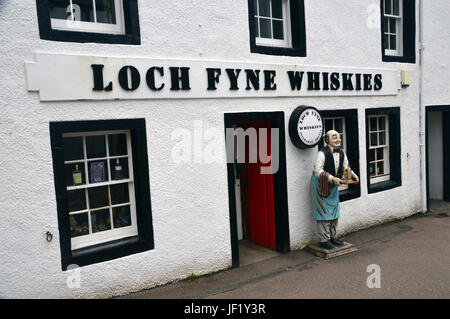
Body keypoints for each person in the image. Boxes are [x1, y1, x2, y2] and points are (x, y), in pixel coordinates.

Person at [310, 130, 359, 250]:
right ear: (327, 140)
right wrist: (332, 178)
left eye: (339, 137)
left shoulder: (341, 152)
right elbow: (318, 171)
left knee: (334, 212)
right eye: (334, 137)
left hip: (333, 185)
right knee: (323, 212)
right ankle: (323, 239)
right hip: (321, 184)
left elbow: (345, 167)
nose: (338, 140)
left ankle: (333, 236)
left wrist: (353, 174)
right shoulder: (322, 153)